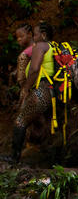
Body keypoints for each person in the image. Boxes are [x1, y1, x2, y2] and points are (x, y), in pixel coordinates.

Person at [7, 22, 54, 164]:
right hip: (50, 91)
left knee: (20, 121)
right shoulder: (51, 46)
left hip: (41, 91)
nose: (34, 37)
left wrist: (26, 88)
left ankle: (14, 158)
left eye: (36, 34)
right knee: (39, 123)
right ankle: (42, 158)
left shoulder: (40, 46)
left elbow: (34, 69)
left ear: (43, 35)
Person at [15, 24, 34, 104]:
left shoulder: (25, 54)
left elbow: (21, 78)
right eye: (17, 37)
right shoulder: (39, 46)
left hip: (31, 88)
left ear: (29, 34)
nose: (18, 39)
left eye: (21, 36)